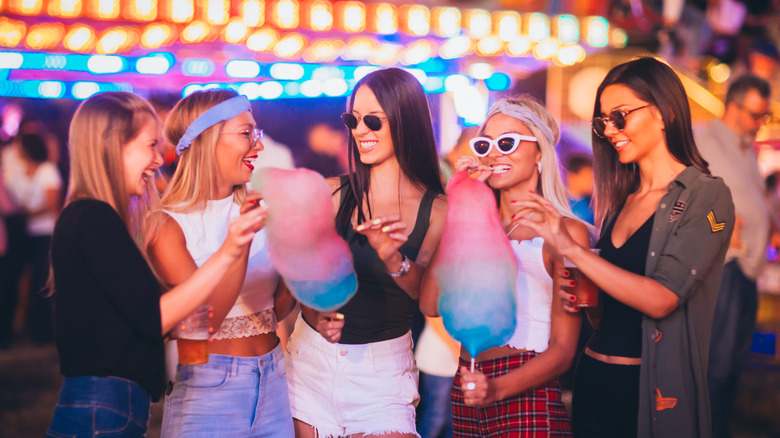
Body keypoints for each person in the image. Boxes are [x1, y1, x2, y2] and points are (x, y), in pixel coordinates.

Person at [514, 57, 735, 438]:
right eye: (603, 122)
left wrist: (574, 250)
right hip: (594, 381)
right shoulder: (620, 203)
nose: (610, 130)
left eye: (620, 116)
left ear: (665, 112)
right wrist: (584, 294)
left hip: (652, 393)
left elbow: (662, 298)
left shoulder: (706, 195)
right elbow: (609, 316)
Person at [46, 91, 267, 437]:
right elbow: (154, 317)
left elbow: (134, 319)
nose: (158, 158)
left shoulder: (99, 217)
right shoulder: (93, 217)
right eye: (150, 145)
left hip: (113, 405)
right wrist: (230, 249)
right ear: (114, 145)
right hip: (101, 405)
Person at [285, 67, 447, 438]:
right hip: (312, 361)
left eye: (373, 120)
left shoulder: (439, 210)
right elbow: (302, 279)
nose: (360, 131)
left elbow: (428, 299)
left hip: (382, 374)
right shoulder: (329, 193)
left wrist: (393, 256)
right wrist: (317, 310)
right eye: (352, 119)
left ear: (405, 122)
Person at [420, 96, 591, 437]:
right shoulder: (473, 222)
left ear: (539, 152)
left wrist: (496, 389)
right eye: (485, 145)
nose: (494, 153)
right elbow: (429, 303)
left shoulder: (566, 231)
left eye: (507, 142)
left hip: (528, 390)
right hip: (468, 384)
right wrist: (461, 206)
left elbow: (563, 349)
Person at [146, 90, 295, 437]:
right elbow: (205, 321)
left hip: (274, 377)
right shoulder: (168, 224)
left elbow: (276, 309)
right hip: (209, 385)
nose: (258, 145)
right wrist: (238, 244)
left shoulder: (259, 210)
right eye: (246, 134)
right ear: (208, 139)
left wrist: (305, 257)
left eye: (256, 133)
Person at [695, 74, 772, 438]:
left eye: (764, 116)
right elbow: (682, 197)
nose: (759, 123)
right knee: (717, 367)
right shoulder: (703, 138)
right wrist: (721, 220)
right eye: (755, 115)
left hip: (748, 268)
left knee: (734, 367)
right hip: (723, 266)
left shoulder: (747, 147)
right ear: (734, 106)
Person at [9, 133, 62, 344]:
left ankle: (44, 332)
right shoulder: (19, 171)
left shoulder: (48, 170)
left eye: (20, 146)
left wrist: (25, 214)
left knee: (42, 281)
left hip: (45, 232)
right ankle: (28, 326)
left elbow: (52, 205)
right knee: (23, 280)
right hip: (25, 234)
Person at [564, 153, 595, 225]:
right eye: (588, 178)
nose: (592, 183)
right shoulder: (557, 200)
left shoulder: (591, 204)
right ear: (572, 177)